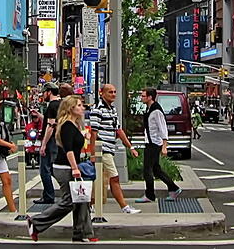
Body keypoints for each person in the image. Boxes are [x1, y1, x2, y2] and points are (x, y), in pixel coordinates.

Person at [27, 95, 96, 243]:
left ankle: (80, 234)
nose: (82, 108)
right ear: (71, 108)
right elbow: (68, 149)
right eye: (79, 105)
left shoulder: (73, 124)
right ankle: (36, 222)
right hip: (65, 167)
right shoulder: (66, 126)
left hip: (69, 166)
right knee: (70, 201)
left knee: (80, 200)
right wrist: (75, 168)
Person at [88, 84, 141, 215]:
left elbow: (118, 130)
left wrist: (130, 147)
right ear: (102, 93)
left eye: (115, 92)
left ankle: (90, 205)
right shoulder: (97, 110)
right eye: (110, 92)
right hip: (103, 149)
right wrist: (93, 153)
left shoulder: (112, 110)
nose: (113, 94)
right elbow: (93, 133)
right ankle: (124, 206)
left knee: (98, 179)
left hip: (109, 149)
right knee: (114, 177)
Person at [135, 88, 181, 204]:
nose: (142, 98)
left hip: (154, 144)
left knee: (147, 170)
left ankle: (150, 195)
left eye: (144, 96)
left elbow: (163, 128)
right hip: (151, 142)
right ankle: (174, 188)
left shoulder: (156, 111)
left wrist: (164, 146)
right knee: (156, 170)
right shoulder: (150, 109)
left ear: (150, 97)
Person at [35, 83, 61, 205]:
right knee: (53, 167)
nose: (43, 95)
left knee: (45, 169)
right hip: (59, 139)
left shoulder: (51, 106)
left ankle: (49, 196)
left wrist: (43, 144)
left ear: (49, 92)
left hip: (51, 141)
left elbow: (50, 126)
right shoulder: (61, 104)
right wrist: (41, 116)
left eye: (44, 92)